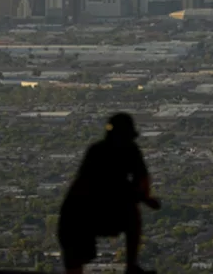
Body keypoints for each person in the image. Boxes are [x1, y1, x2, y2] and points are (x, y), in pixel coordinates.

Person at [59, 112, 161, 274]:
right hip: (82, 212)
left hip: (78, 214)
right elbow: (121, 185)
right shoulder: (125, 151)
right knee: (132, 216)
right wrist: (145, 199)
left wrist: (142, 197)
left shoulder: (100, 151)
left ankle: (131, 266)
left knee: (131, 216)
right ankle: (131, 266)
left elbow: (136, 182)